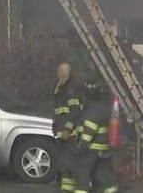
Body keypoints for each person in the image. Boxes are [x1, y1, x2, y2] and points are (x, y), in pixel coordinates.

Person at [74, 78, 118, 193]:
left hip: (92, 147)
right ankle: (110, 188)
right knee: (101, 172)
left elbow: (90, 128)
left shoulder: (93, 108)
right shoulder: (103, 105)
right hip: (102, 146)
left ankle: (81, 190)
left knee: (82, 171)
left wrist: (82, 145)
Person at [53, 62, 86, 191]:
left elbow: (75, 111)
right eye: (60, 70)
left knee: (72, 162)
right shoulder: (61, 88)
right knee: (63, 163)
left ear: (67, 72)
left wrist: (68, 129)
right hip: (62, 133)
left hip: (70, 134)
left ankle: (80, 186)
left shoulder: (71, 89)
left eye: (63, 71)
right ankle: (67, 187)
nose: (60, 73)